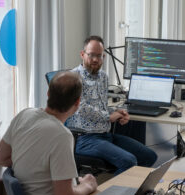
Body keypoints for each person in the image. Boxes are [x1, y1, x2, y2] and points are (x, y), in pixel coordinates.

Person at [0, 71, 97, 195]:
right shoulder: (62, 135)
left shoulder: (25, 114)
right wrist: (88, 185)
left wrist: (34, 163)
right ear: (77, 103)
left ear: (48, 93)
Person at [67, 35, 157, 175]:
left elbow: (102, 106)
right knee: (129, 161)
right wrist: (109, 117)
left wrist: (118, 112)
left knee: (149, 156)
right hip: (84, 139)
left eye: (99, 56)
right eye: (91, 55)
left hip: (105, 135)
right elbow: (81, 108)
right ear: (82, 54)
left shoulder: (103, 76)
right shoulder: (73, 77)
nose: (96, 60)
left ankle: (132, 194)